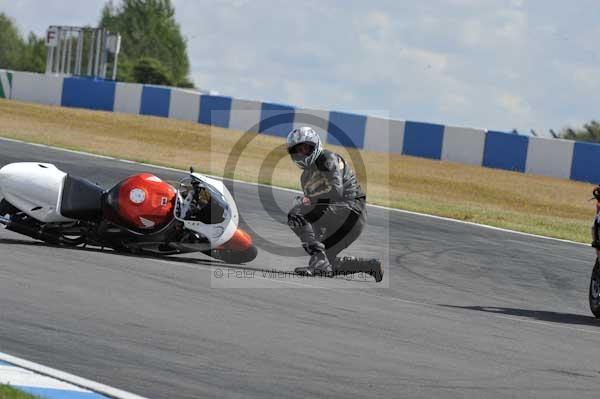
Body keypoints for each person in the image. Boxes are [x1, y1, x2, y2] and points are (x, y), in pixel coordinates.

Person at [286, 126, 383, 282]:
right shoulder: (305, 178)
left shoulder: (327, 158)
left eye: (306, 148)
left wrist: (307, 202)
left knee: (297, 211)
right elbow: (314, 218)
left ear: (315, 145)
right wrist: (316, 244)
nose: (303, 153)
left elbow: (336, 191)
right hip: (340, 220)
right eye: (298, 150)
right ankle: (370, 266)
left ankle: (319, 259)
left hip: (351, 211)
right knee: (325, 265)